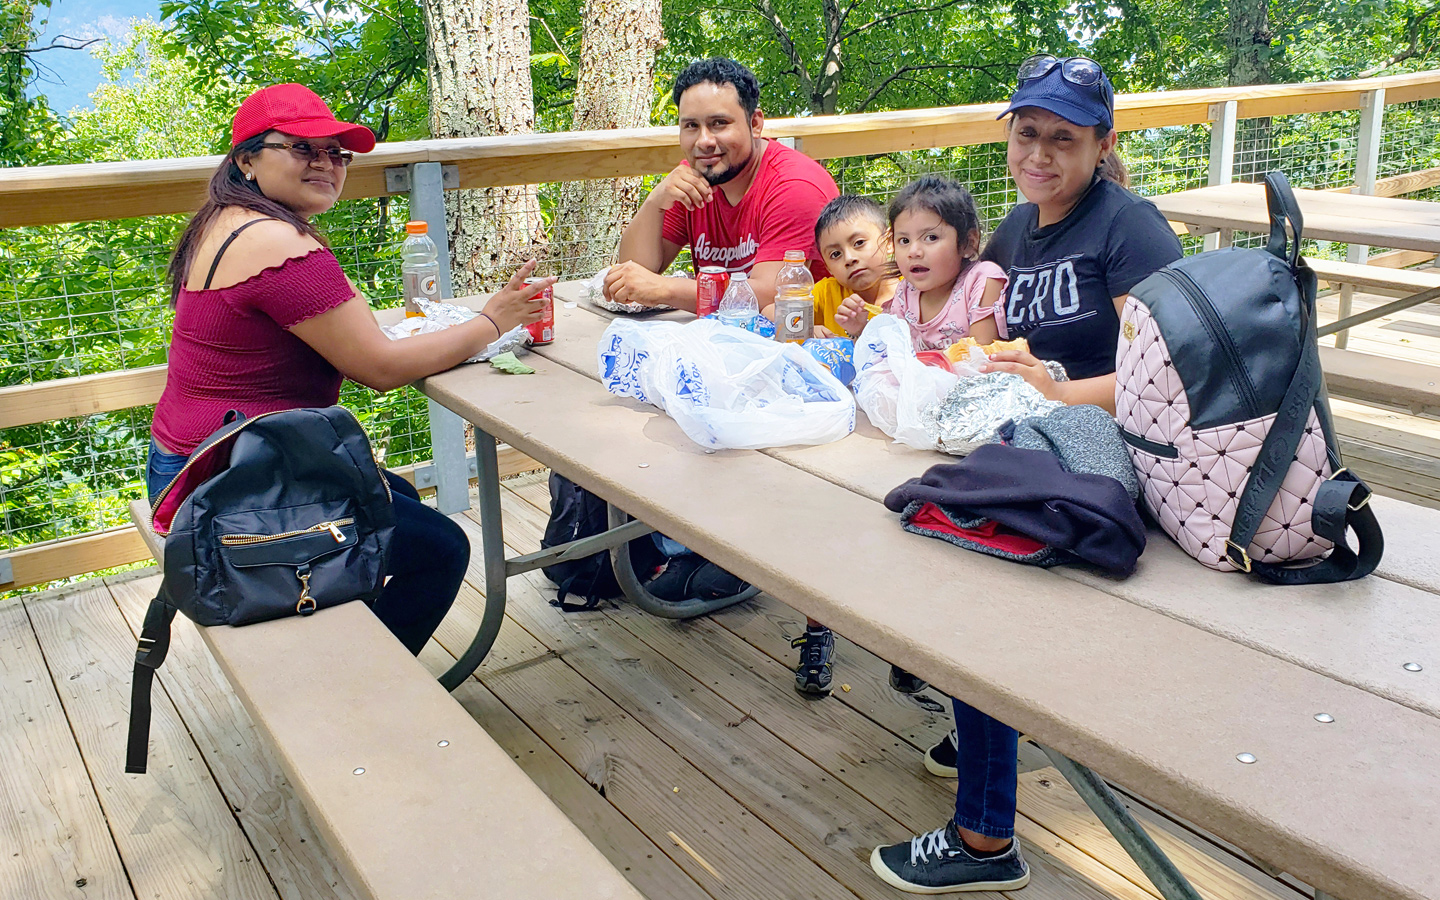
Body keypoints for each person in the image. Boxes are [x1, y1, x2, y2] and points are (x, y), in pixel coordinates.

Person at [869, 55, 1182, 894]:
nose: (1039, 153)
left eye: (1064, 139)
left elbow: (1165, 375)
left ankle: (985, 838)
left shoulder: (1128, 228)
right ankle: (986, 730)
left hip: (1112, 455)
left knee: (973, 568)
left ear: (1102, 144)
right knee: (898, 516)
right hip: (1027, 435)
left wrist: (1053, 385)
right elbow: (971, 325)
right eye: (1028, 133)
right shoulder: (1015, 228)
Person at [147, 83, 553, 655]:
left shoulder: (225, 221)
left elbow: (343, 329)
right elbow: (380, 367)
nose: (326, 163)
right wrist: (493, 320)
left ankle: (349, 647)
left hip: (190, 461)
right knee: (442, 548)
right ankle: (370, 695)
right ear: (246, 159)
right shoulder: (277, 242)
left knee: (403, 499)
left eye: (338, 153)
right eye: (303, 148)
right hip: (228, 491)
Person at [604, 58, 839, 310]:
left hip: (805, 339)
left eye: (719, 123)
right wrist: (655, 202)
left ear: (755, 124)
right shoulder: (692, 179)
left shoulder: (794, 186)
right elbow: (632, 274)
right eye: (692, 126)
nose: (704, 141)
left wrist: (664, 288)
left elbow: (771, 295)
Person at [787, 195, 902, 696]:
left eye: (859, 244)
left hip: (894, 442)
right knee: (818, 525)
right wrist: (803, 328)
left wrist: (868, 326)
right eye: (834, 253)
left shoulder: (908, 293)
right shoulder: (824, 293)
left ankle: (907, 646)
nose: (849, 259)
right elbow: (782, 320)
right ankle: (818, 630)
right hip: (837, 433)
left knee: (902, 540)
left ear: (890, 241)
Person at [885, 175, 1007, 351]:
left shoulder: (981, 281)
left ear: (968, 243)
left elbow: (981, 356)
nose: (913, 252)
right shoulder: (905, 293)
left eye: (931, 237)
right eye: (904, 240)